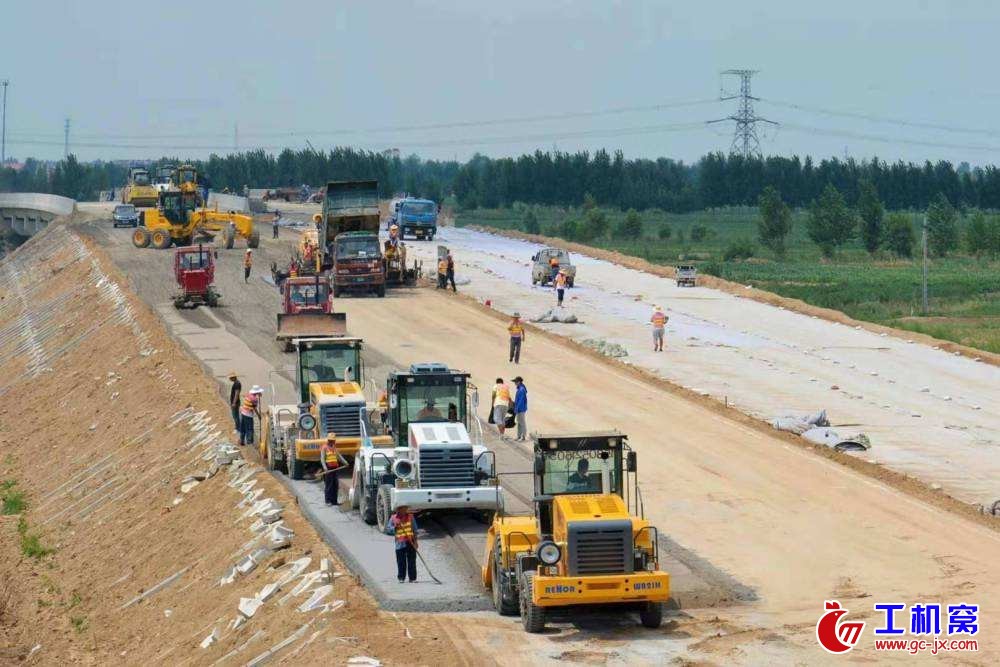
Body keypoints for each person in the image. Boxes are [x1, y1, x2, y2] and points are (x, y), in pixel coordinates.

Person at [388, 505, 419, 583]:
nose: (404, 510)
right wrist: (395, 527)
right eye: (402, 509)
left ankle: (412, 578)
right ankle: (401, 578)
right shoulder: (393, 518)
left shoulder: (410, 517)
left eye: (405, 508)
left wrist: (416, 542)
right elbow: (388, 529)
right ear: (398, 509)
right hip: (399, 544)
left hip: (410, 542)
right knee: (401, 561)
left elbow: (415, 530)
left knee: (412, 561)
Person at [319, 434, 348, 505]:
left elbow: (339, 456)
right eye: (332, 440)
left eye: (333, 440)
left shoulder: (334, 448)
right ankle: (328, 501)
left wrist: (345, 462)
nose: (333, 441)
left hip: (335, 468)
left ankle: (334, 501)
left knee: (335, 485)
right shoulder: (324, 448)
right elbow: (322, 459)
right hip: (328, 469)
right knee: (329, 485)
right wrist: (325, 468)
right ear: (329, 440)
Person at [513, 376, 528, 441]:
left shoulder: (521, 389)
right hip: (519, 408)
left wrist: (517, 408)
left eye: (515, 382)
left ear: (519, 382)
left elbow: (521, 400)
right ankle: (519, 436)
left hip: (521, 409)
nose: (515, 383)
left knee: (522, 423)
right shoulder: (520, 388)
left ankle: (523, 436)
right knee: (519, 422)